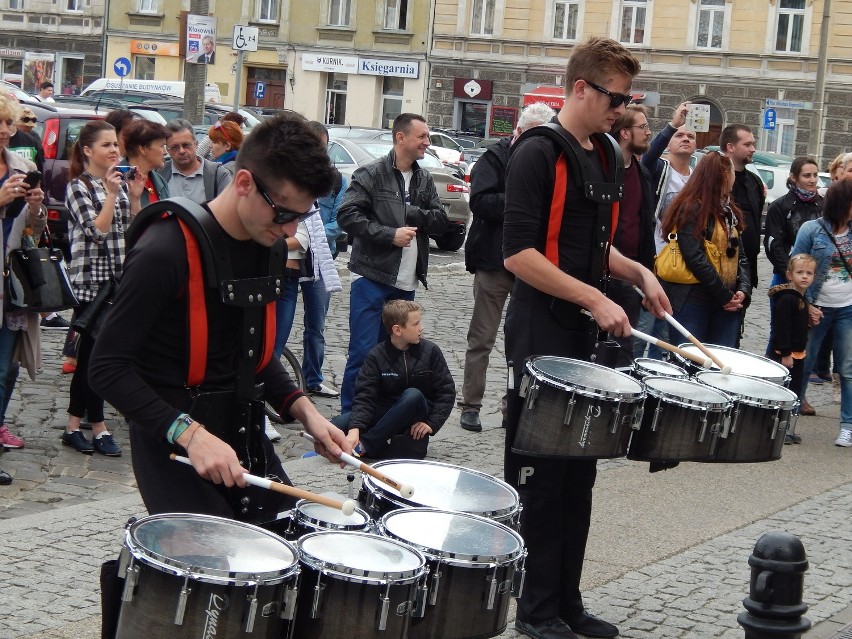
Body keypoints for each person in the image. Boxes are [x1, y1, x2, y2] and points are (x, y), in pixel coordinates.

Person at [89, 112, 352, 521]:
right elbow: (106, 368)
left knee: (290, 544)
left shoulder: (272, 248)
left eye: (301, 215)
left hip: (241, 427)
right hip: (172, 439)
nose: (290, 230)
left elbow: (254, 359)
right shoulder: (165, 249)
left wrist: (306, 411)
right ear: (244, 183)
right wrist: (190, 435)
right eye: (283, 213)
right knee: (216, 570)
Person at [502, 36, 671, 639]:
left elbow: (592, 248)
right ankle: (536, 611)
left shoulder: (604, 154)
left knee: (580, 474)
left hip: (581, 333)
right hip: (539, 331)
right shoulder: (537, 154)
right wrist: (595, 297)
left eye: (628, 98)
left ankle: (567, 602)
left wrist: (637, 273)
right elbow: (519, 254)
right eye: (615, 97)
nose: (622, 109)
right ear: (580, 88)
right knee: (542, 480)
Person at [337, 113, 448, 412]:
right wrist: (389, 234)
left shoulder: (424, 178)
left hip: (406, 282)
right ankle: (350, 418)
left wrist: (409, 213)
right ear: (401, 138)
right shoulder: (370, 174)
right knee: (363, 352)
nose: (427, 141)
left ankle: (385, 415)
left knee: (399, 354)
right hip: (372, 278)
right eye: (422, 136)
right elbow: (347, 215)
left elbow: (439, 221)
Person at [458, 102, 555, 433]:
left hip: (530, 265)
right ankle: (470, 405)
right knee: (481, 338)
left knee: (522, 341)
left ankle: (511, 405)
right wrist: (521, 202)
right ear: (521, 131)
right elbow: (480, 202)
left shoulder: (545, 158)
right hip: (493, 261)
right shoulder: (495, 156)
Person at [62, 121, 145, 457]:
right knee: (93, 358)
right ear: (87, 150)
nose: (114, 150)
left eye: (116, 144)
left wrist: (134, 197)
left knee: (94, 358)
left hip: (116, 282)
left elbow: (134, 231)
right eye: (106, 145)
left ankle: (74, 425)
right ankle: (97, 427)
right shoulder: (78, 188)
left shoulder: (120, 185)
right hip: (90, 284)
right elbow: (97, 232)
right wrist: (111, 195)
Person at [273, 121, 345, 401]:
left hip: (319, 263)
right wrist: (304, 233)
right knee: (281, 327)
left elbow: (339, 221)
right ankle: (275, 386)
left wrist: (312, 234)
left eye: (323, 148)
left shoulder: (336, 181)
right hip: (290, 264)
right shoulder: (289, 180)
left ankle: (313, 379)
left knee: (317, 326)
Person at [333, 300, 455, 460]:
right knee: (337, 424)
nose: (421, 328)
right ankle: (337, 448)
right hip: (387, 411)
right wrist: (355, 429)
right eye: (416, 324)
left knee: (413, 395)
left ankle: (365, 446)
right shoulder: (376, 356)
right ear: (397, 330)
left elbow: (447, 392)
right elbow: (365, 396)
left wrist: (432, 423)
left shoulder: (431, 351)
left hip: (415, 412)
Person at [659, 151, 752, 346]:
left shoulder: (728, 210)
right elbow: (694, 257)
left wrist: (743, 289)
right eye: (732, 172)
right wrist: (724, 295)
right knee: (690, 359)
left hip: (727, 301)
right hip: (694, 299)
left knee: (720, 363)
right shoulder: (691, 208)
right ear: (723, 176)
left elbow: (740, 254)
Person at [0, 94, 48, 455]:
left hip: (10, 281)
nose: (5, 131)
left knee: (5, 369)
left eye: (9, 123)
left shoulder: (18, 163)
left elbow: (31, 230)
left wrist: (35, 209)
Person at [790, 178, 852, 448]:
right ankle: (788, 421)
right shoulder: (811, 230)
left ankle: (848, 426)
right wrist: (807, 306)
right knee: (802, 363)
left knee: (848, 369)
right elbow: (794, 268)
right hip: (816, 307)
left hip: (847, 309)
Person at [634, 103, 695, 358]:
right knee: (643, 328)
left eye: (690, 136)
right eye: (679, 135)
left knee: (666, 333)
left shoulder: (696, 177)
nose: (685, 139)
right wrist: (673, 124)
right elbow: (646, 159)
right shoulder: (659, 169)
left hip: (682, 266)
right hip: (654, 259)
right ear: (669, 142)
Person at [763, 156, 823, 415]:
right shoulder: (781, 205)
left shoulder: (822, 205)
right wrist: (789, 273)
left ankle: (799, 393)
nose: (811, 181)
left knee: (805, 335)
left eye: (814, 175)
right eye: (807, 175)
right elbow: (773, 243)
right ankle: (769, 381)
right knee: (781, 332)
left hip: (812, 276)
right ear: (794, 177)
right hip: (787, 276)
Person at [607, 104, 658, 365]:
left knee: (625, 351)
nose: (648, 132)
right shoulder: (605, 170)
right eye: (643, 127)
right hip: (604, 276)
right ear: (625, 133)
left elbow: (645, 227)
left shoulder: (643, 173)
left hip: (632, 279)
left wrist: (646, 272)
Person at [720, 124, 764, 346]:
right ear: (730, 147)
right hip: (721, 267)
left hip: (747, 267)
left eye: (753, 143)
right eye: (747, 144)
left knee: (735, 331)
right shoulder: (717, 179)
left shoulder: (754, 182)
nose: (753, 148)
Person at [766, 254, 816, 444]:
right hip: (785, 355)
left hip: (798, 353)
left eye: (809, 273)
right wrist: (785, 353)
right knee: (782, 393)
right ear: (789, 275)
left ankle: (786, 428)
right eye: (800, 272)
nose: (805, 276)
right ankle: (776, 429)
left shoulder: (801, 299)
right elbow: (782, 328)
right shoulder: (787, 299)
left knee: (794, 392)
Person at [158, 119, 231, 204]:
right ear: (168, 150)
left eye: (186, 145)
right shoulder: (158, 175)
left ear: (196, 144)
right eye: (175, 147)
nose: (181, 151)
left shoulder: (219, 175)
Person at [122, 119, 170, 207]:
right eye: (162, 146)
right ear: (143, 148)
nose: (165, 152)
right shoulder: (117, 180)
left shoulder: (160, 181)